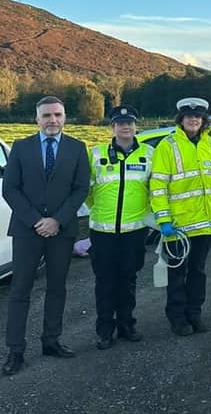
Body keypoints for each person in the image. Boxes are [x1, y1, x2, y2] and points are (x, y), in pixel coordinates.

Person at [1, 96, 90, 376]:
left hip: (61, 232)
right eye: (47, 115)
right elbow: (10, 189)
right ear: (36, 119)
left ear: (65, 117)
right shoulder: (21, 147)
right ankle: (15, 350)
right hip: (27, 231)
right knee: (20, 291)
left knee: (57, 288)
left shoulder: (77, 148)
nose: (53, 120)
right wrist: (37, 221)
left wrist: (57, 220)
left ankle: (51, 341)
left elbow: (80, 189)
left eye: (58, 115)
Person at [150, 97, 211, 336]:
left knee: (199, 272)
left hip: (205, 224)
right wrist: (163, 220)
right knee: (177, 275)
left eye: (197, 117)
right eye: (188, 116)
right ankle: (178, 319)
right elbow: (158, 186)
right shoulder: (168, 145)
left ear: (203, 120)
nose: (193, 120)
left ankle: (195, 314)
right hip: (178, 226)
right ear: (181, 119)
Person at [85, 105, 154, 350]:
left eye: (130, 122)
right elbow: (87, 193)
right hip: (103, 233)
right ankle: (105, 330)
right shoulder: (96, 154)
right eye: (120, 122)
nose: (125, 126)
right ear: (112, 127)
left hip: (134, 232)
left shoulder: (149, 154)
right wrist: (100, 213)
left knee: (128, 280)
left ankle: (127, 325)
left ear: (136, 126)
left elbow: (154, 191)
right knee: (104, 282)